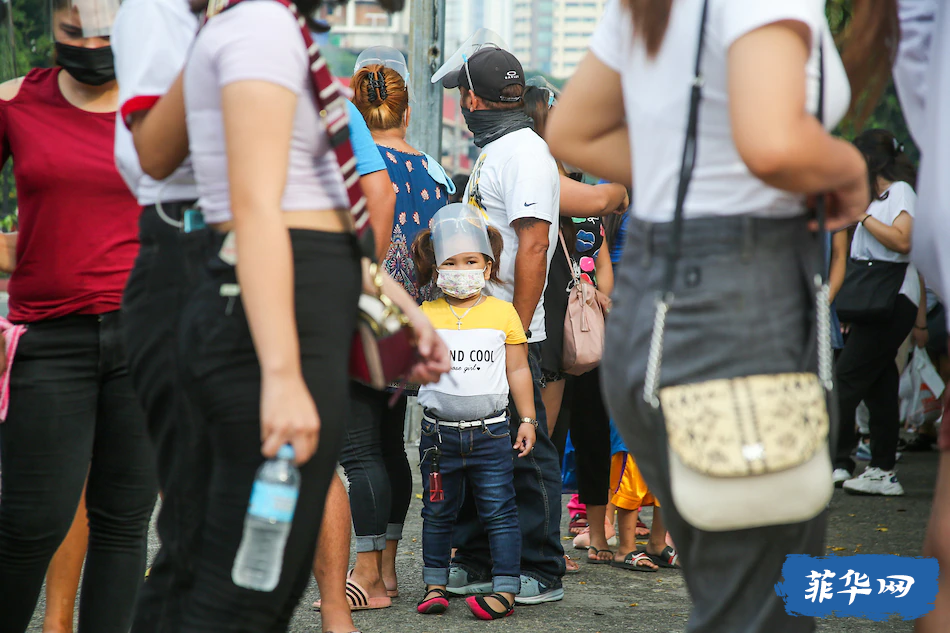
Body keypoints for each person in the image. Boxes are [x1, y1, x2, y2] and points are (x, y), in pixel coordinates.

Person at [547, 0, 894, 630]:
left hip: (665, 303)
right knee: (762, 610)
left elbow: (575, 131)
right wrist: (850, 171)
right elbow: (773, 143)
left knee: (741, 597)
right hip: (736, 309)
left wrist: (692, 174)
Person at [170, 0, 447, 628]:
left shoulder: (285, 65)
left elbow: (258, 212)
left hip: (268, 302)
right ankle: (339, 605)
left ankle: (329, 600)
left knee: (314, 462)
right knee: (338, 460)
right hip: (323, 309)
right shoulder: (309, 78)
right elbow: (350, 209)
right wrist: (395, 304)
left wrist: (290, 362)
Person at [0, 2, 159, 631]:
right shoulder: (16, 103)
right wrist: (20, 251)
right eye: (74, 31)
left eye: (107, 33)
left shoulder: (166, 107)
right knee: (30, 521)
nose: (91, 45)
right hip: (49, 340)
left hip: (147, 340)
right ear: (54, 22)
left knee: (124, 524)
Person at [324, 49, 454, 609]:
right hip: (412, 324)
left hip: (362, 316)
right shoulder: (435, 172)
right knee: (390, 446)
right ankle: (390, 571)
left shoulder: (357, 167)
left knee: (358, 453)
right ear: (406, 109)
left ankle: (368, 576)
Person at [438, 42, 567, 604]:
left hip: (515, 332)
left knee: (525, 450)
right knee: (474, 443)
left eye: (460, 95)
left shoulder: (523, 153)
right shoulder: (500, 148)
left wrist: (514, 327)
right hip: (485, 328)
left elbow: (534, 244)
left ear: (472, 98)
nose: (461, 106)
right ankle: (480, 557)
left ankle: (541, 567)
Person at [411, 203, 537, 620]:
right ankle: (434, 584)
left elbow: (517, 368)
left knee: (499, 509)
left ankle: (505, 589)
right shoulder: (424, 315)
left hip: (492, 435)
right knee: (436, 509)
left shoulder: (503, 313)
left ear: (487, 266)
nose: (461, 269)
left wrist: (529, 420)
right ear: (435, 269)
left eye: (471, 261)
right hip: (436, 439)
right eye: (450, 262)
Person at [833, 129, 926, 496]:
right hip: (877, 301)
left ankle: (834, 462)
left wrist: (863, 217)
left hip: (892, 299)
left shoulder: (900, 192)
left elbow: (903, 241)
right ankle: (882, 469)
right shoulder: (877, 199)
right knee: (879, 385)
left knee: (844, 381)